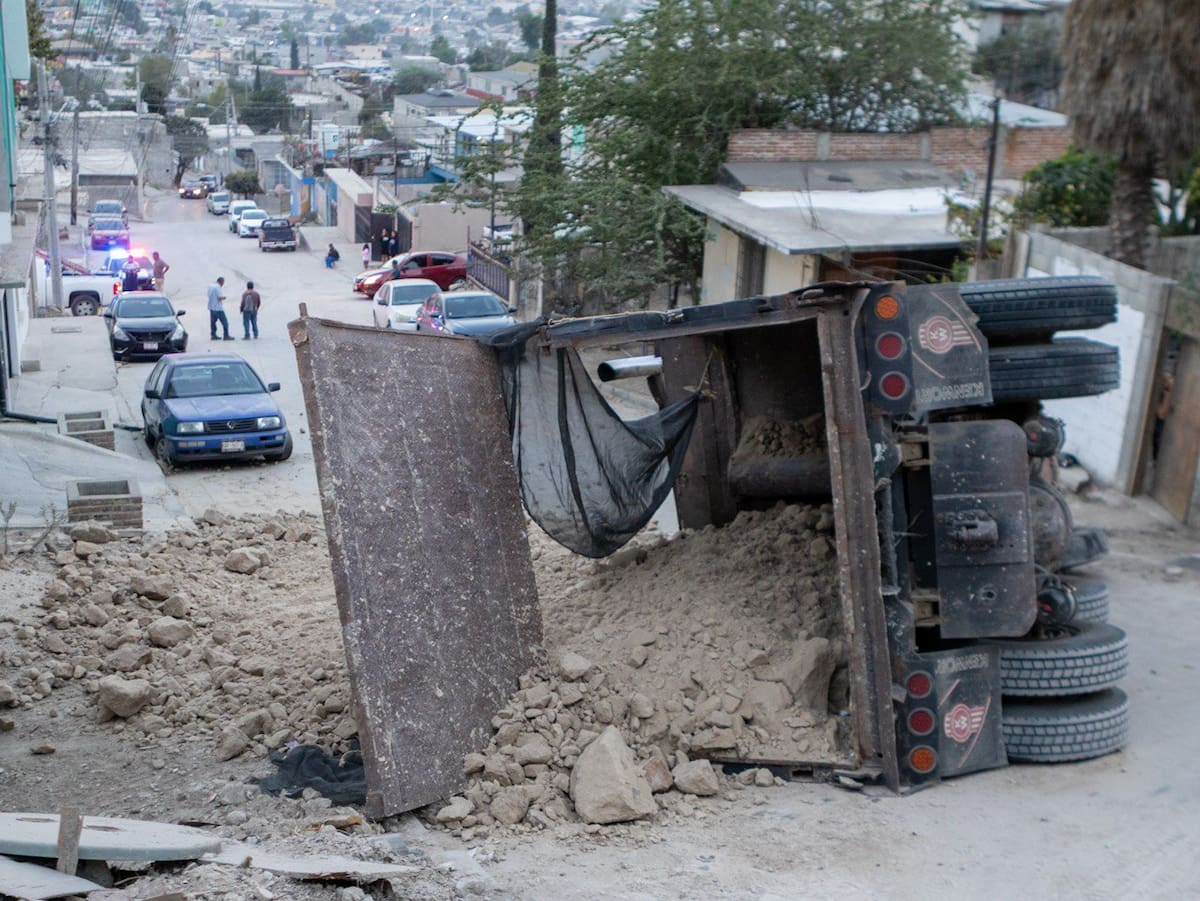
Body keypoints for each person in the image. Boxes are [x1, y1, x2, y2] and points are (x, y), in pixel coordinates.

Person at [1153, 371, 1175, 461]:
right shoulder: (1164, 394)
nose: (1172, 380)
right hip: (1160, 425)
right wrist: (1168, 394)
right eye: (1170, 379)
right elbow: (1161, 414)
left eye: (1171, 378)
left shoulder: (1173, 393)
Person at [207, 276, 233, 340]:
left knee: (213, 323)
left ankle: (213, 335)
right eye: (223, 283)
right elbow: (219, 297)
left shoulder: (211, 286)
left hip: (211, 307)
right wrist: (223, 297)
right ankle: (226, 335)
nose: (223, 284)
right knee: (225, 322)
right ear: (221, 282)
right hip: (218, 308)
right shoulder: (218, 287)